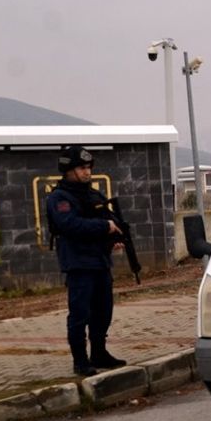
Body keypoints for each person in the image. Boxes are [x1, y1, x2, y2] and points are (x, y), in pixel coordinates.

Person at [46, 145, 125, 377]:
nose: (86, 172)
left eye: (88, 167)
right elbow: (70, 225)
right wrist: (104, 227)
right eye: (81, 168)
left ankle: (99, 353)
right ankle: (80, 361)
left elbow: (110, 220)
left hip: (100, 262)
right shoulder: (59, 198)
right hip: (78, 263)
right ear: (68, 170)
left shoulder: (93, 195)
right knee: (80, 313)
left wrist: (115, 239)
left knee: (103, 311)